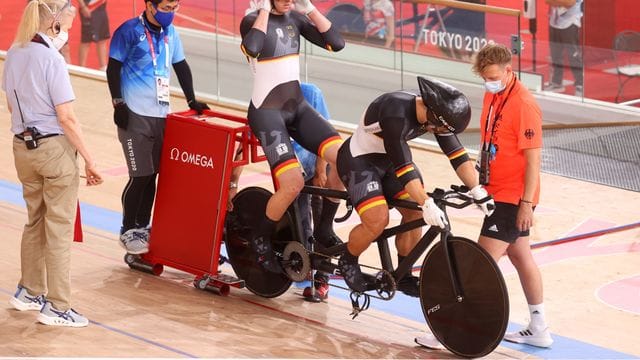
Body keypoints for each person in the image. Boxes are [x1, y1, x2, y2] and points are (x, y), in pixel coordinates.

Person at [416, 43, 550, 349]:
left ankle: (453, 332)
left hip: (512, 197)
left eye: (493, 76)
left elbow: (534, 161)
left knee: (477, 267)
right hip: (496, 190)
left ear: (508, 71)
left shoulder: (525, 105)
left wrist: (526, 203)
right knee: (520, 255)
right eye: (485, 77)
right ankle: (539, 326)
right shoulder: (493, 94)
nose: (489, 82)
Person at [335, 76, 495, 296]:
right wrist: (426, 203)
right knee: (377, 219)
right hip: (360, 161)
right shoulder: (395, 112)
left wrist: (478, 191)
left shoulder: (437, 115)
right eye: (440, 128)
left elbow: (458, 156)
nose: (439, 132)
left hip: (388, 161)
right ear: (432, 115)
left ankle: (404, 274)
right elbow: (404, 168)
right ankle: (348, 258)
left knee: (414, 212)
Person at [2, 0, 103, 327]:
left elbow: (10, 106)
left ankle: (29, 291)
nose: (68, 35)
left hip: (23, 149)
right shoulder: (52, 60)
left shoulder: (14, 53)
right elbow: (67, 118)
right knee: (58, 229)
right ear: (54, 24)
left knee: (35, 220)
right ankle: (58, 306)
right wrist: (89, 159)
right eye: (67, 28)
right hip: (53, 150)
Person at [240, 0, 346, 274]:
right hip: (267, 113)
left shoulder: (295, 20)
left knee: (346, 159)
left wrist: (308, 7)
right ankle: (260, 237)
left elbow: (336, 43)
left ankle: (324, 230)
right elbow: (253, 47)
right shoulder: (252, 20)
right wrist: (265, 8)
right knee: (292, 184)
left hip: (297, 108)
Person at [106, 0, 209, 254]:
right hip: (134, 115)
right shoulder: (128, 31)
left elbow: (181, 66)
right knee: (139, 175)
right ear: (150, 6)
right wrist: (119, 104)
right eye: (165, 8)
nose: (170, 13)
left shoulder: (171, 33)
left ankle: (142, 226)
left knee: (152, 174)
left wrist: (191, 99)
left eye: (175, 7)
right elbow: (113, 68)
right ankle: (127, 229)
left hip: (161, 115)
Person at [544, 0, 583, 97]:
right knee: (555, 55)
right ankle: (557, 83)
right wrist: (560, 2)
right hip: (554, 21)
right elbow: (547, 1)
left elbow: (570, 3)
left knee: (573, 55)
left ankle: (580, 84)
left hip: (570, 22)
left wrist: (557, 2)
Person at [77, 0, 110, 70]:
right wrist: (83, 6)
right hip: (88, 7)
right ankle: (81, 68)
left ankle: (103, 67)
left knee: (102, 38)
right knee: (86, 41)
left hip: (101, 6)